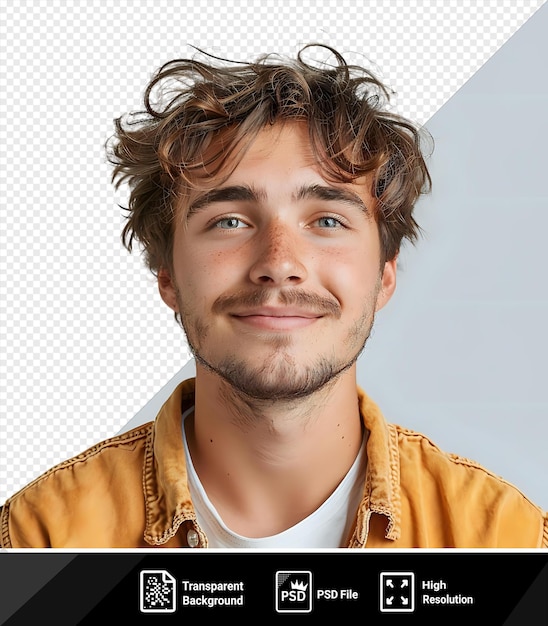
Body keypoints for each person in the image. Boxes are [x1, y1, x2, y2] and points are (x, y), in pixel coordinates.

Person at [1, 45, 546, 549]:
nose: (280, 263)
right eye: (231, 221)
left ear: (384, 274)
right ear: (166, 273)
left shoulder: (504, 539)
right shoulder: (39, 537)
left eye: (327, 220)